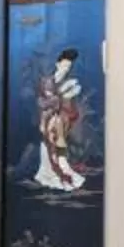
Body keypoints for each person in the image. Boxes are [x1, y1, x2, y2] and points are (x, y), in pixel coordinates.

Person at [32, 48, 89, 191]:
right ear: (57, 64)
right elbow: (41, 102)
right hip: (48, 120)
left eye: (68, 67)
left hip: (61, 121)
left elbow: (71, 109)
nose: (66, 69)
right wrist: (57, 99)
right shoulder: (47, 81)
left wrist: (66, 100)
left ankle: (62, 171)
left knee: (59, 145)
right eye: (64, 66)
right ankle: (52, 173)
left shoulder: (68, 83)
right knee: (51, 146)